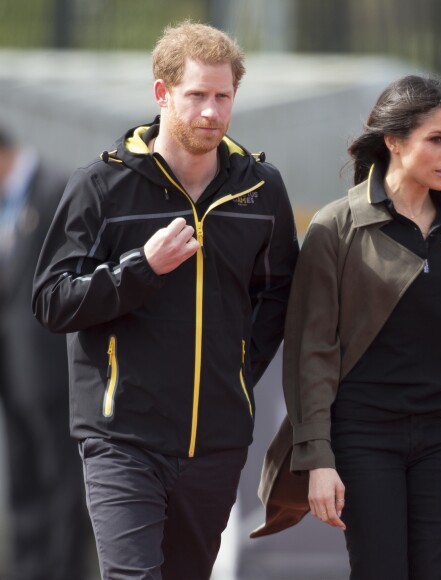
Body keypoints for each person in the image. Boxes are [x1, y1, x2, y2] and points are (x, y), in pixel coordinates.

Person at [250, 75, 441, 579]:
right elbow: (312, 354)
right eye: (436, 139)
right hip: (365, 436)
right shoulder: (335, 228)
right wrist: (317, 456)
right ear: (393, 141)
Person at [32, 21, 298, 580]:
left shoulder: (260, 190)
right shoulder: (100, 187)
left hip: (217, 440)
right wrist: (140, 269)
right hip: (121, 436)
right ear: (163, 93)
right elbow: (52, 301)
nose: (210, 112)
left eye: (222, 97)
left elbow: (276, 297)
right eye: (196, 95)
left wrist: (238, 374)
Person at [0, 126, 90, 579]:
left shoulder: (56, 189)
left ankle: (63, 570)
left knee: (61, 481)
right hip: (12, 374)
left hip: (53, 372)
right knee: (22, 479)